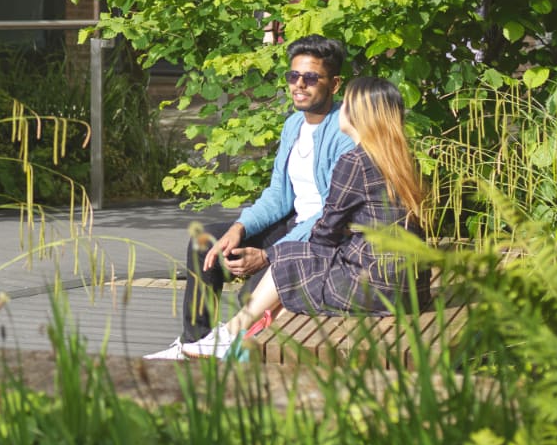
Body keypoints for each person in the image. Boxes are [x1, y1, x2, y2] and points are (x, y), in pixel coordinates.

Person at [178, 76, 432, 358]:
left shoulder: (355, 161)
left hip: (375, 286)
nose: (341, 109)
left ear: (358, 114)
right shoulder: (401, 158)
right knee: (291, 266)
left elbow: (327, 230)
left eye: (346, 103)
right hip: (412, 287)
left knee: (288, 262)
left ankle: (230, 336)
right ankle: (234, 337)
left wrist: (274, 255)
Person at [144, 35, 358, 360]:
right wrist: (239, 228)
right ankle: (195, 342)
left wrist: (269, 255)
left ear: (335, 83)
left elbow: (332, 213)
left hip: (324, 237)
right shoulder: (293, 125)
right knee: (206, 242)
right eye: (293, 76)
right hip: (294, 223)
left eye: (311, 77)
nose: (299, 85)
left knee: (253, 292)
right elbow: (278, 194)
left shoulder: (344, 132)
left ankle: (226, 347)